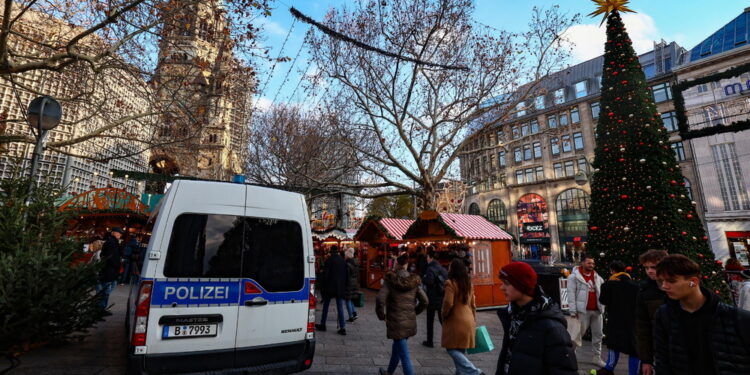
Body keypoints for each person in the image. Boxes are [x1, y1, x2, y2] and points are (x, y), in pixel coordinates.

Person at [653, 254, 750, 374]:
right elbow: (662, 358)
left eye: (671, 281)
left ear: (693, 282)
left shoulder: (736, 317)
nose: (664, 286)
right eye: (661, 281)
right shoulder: (664, 315)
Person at [496, 261, 577, 375]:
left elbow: (564, 370)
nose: (501, 288)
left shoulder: (552, 328)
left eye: (507, 283)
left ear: (522, 285)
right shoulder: (513, 317)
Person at [376, 253, 428, 375]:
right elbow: (425, 301)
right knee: (398, 347)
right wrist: (415, 312)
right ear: (406, 265)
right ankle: (389, 372)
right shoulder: (414, 281)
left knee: (404, 355)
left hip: (395, 321)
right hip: (408, 321)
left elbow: (380, 300)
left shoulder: (390, 280)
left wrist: (382, 316)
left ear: (396, 265)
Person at [595, 261, 639, 375]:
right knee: (634, 348)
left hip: (615, 320)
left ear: (612, 271)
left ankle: (609, 369)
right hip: (632, 320)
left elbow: (603, 301)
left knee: (614, 344)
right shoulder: (635, 286)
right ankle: (633, 373)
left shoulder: (608, 285)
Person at [442, 258, 482, 375]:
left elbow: (448, 303)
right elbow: (473, 304)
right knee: (460, 350)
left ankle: (475, 371)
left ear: (453, 270)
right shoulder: (468, 284)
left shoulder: (450, 283)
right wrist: (473, 320)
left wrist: (444, 314)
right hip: (468, 319)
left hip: (456, 321)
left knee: (451, 349)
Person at [566, 254, 605, 368]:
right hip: (582, 311)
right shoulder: (574, 277)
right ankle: (571, 356)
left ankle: (597, 357)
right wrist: (573, 311)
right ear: (582, 263)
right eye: (589, 263)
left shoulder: (597, 276)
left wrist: (602, 306)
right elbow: (570, 294)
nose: (591, 265)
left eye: (593, 263)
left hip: (597, 311)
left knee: (598, 335)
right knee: (576, 335)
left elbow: (602, 291)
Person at [635, 249, 668, 375]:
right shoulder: (644, 289)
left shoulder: (681, 285)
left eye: (653, 267)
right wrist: (646, 360)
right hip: (656, 348)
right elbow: (643, 327)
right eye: (646, 267)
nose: (649, 271)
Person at [315, 245, 349, 335]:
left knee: (326, 306)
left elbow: (325, 276)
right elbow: (346, 276)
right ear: (337, 252)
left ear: (330, 252)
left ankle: (323, 324)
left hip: (329, 287)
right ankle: (342, 327)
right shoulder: (343, 261)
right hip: (340, 288)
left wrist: (323, 286)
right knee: (340, 308)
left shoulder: (329, 261)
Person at [422, 248, 448, 348]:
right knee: (443, 321)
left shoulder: (430, 268)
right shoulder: (442, 268)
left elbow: (429, 281)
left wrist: (423, 278)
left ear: (430, 257)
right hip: (441, 297)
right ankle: (450, 341)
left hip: (432, 297)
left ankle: (430, 341)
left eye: (427, 257)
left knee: (430, 321)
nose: (426, 259)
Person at [96, 227, 123, 312]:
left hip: (110, 270)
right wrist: (117, 265)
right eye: (118, 232)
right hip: (109, 270)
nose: (120, 234)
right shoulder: (111, 242)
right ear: (113, 233)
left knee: (108, 288)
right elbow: (111, 257)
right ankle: (101, 308)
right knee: (106, 291)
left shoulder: (113, 242)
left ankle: (101, 307)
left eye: (120, 233)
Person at [344, 247, 360, 322]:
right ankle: (354, 313)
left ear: (347, 255)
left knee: (347, 300)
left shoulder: (347, 264)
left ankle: (350, 316)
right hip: (355, 283)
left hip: (349, 284)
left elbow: (346, 275)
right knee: (351, 299)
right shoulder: (356, 262)